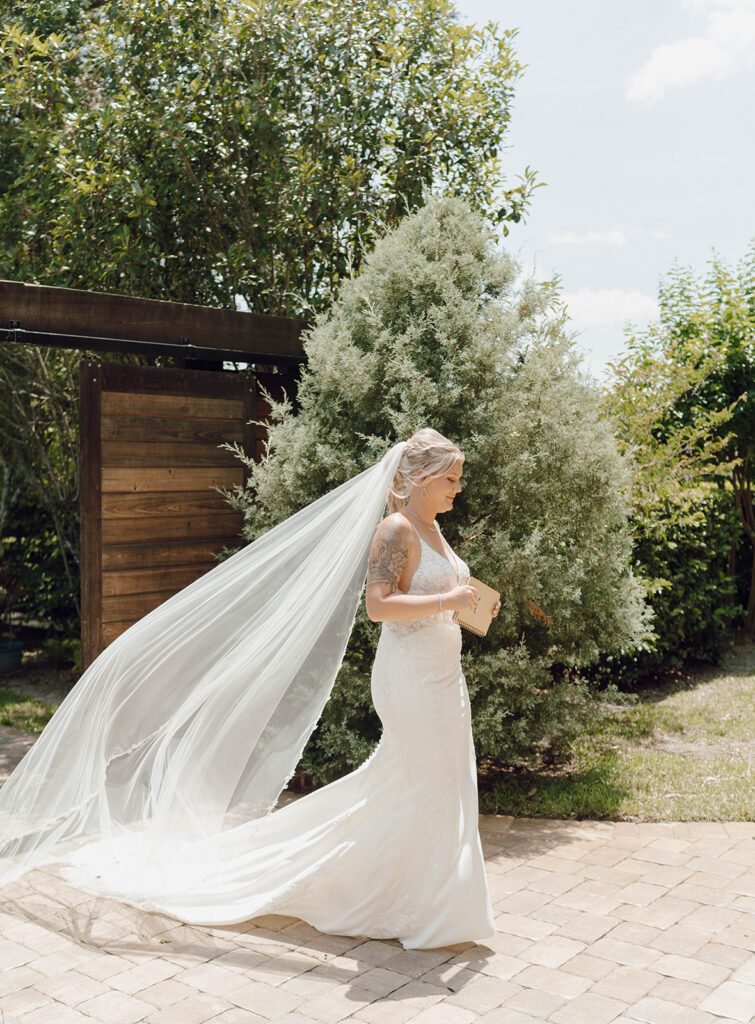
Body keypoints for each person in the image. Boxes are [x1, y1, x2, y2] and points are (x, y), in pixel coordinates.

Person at [0, 428, 500, 950]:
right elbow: (378, 606)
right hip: (411, 681)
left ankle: (421, 892)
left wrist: (471, 605)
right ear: (419, 480)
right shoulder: (395, 529)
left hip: (445, 680)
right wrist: (449, 601)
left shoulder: (433, 530)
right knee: (422, 779)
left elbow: (439, 594)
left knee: (439, 781)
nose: (457, 489)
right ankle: (402, 898)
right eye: (451, 478)